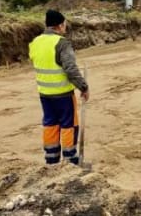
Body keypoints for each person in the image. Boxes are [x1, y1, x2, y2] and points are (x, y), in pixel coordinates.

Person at [29, 9, 89, 165]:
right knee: (69, 125)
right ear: (60, 25)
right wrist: (83, 87)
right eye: (65, 24)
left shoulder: (35, 42)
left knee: (50, 124)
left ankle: (51, 158)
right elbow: (70, 68)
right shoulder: (61, 43)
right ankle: (70, 160)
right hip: (63, 94)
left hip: (44, 94)